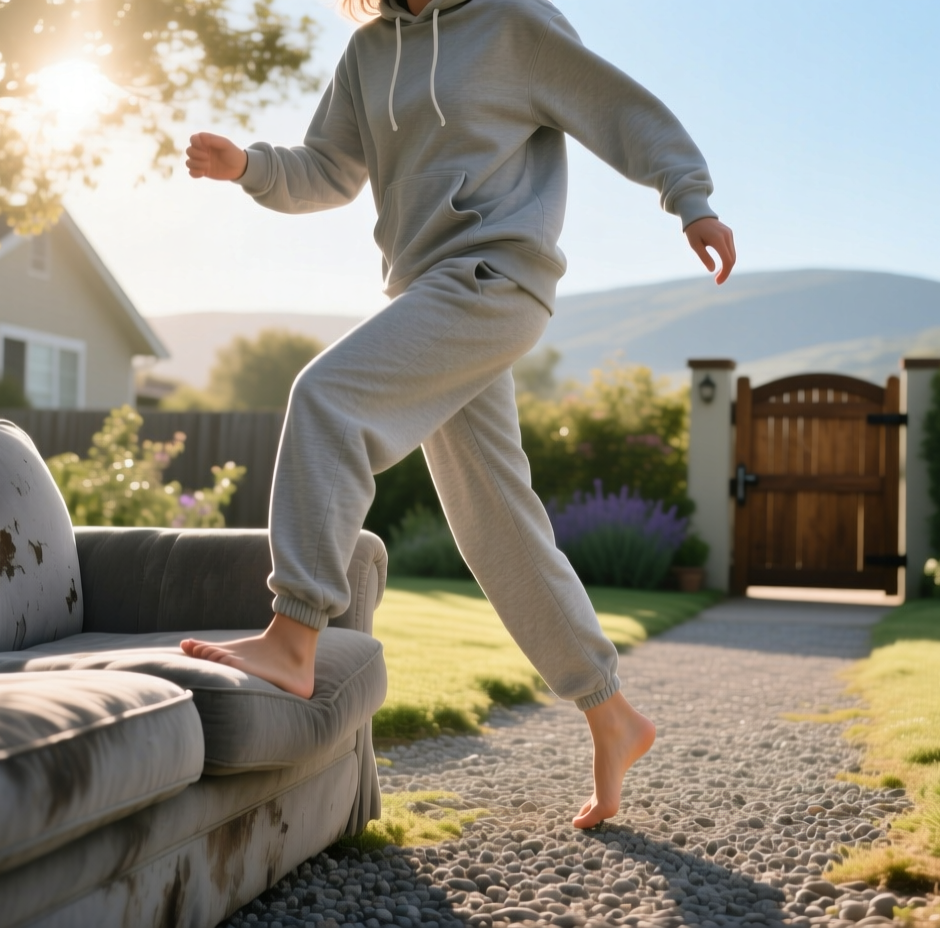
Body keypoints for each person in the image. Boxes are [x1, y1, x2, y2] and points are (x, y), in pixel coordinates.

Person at [180, 0, 736, 829]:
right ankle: (612, 714)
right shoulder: (370, 53)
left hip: (495, 277)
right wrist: (248, 167)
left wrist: (690, 197)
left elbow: (617, 108)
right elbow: (328, 168)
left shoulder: (514, 21)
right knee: (496, 524)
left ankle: (294, 635)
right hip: (428, 289)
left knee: (326, 397)